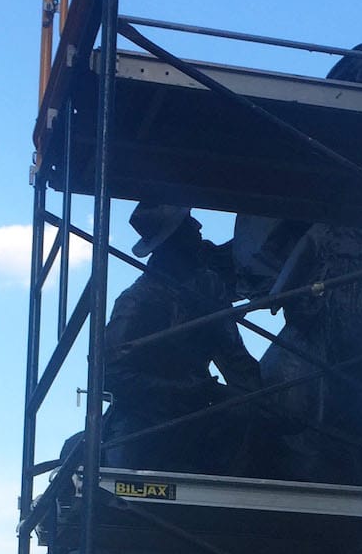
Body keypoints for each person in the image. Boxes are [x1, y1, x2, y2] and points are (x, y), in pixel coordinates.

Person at [102, 203, 262, 475]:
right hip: (145, 419)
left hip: (200, 411)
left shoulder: (209, 286)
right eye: (189, 225)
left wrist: (262, 398)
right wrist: (186, 389)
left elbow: (233, 354)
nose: (199, 228)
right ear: (171, 243)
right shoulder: (137, 301)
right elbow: (109, 374)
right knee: (125, 480)